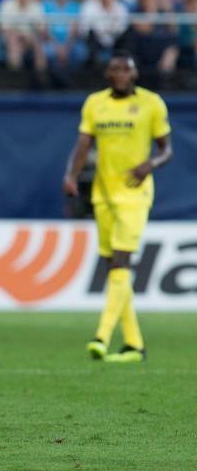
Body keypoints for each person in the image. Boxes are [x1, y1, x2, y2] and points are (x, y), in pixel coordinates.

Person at [63, 50, 173, 363]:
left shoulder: (152, 103)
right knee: (115, 267)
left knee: (122, 262)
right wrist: (70, 175)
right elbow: (83, 143)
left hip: (135, 195)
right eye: (116, 70)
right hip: (103, 193)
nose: (122, 74)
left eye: (127, 69)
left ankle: (102, 334)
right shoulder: (95, 103)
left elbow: (167, 150)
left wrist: (149, 164)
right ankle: (135, 344)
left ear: (135, 74)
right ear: (109, 74)